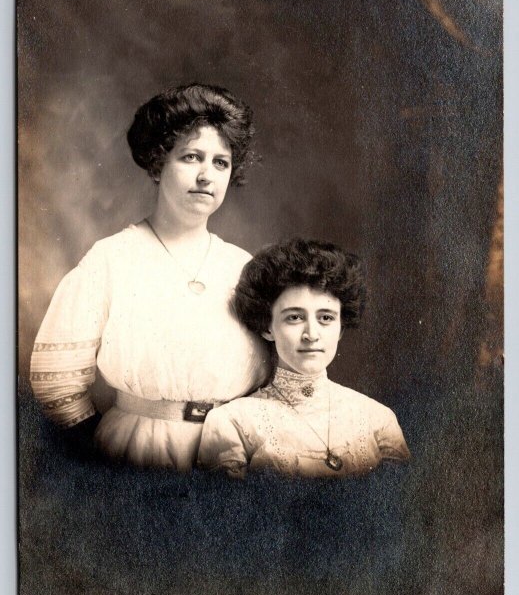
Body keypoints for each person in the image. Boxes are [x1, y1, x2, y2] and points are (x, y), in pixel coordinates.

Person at [30, 83, 269, 469]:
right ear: (158, 164)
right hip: (135, 451)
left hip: (228, 459)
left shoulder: (244, 268)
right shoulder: (112, 259)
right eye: (191, 157)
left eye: (220, 162)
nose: (206, 175)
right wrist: (104, 461)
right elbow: (56, 382)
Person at [198, 238, 410, 478]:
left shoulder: (378, 419)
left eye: (326, 318)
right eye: (295, 317)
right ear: (267, 327)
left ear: (340, 328)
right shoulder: (232, 422)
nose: (311, 335)